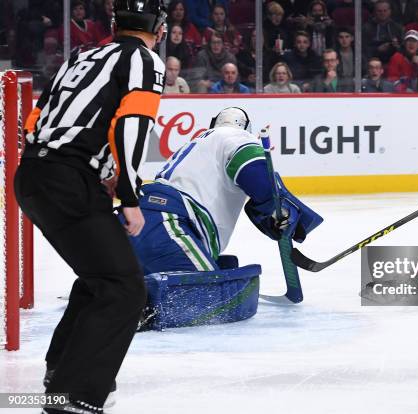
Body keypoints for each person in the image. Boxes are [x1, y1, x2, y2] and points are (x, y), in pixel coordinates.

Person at [15, 1, 167, 413]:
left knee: (101, 276)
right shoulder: (144, 60)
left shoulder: (81, 55)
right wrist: (130, 195)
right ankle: (75, 394)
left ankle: (60, 372)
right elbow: (132, 123)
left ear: (116, 23)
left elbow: (34, 120)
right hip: (69, 181)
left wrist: (90, 166)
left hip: (32, 175)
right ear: (160, 28)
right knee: (123, 288)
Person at [122, 107, 320, 276]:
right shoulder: (239, 137)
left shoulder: (196, 143)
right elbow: (255, 175)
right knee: (206, 300)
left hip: (130, 218)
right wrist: (280, 211)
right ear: (246, 127)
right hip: (171, 226)